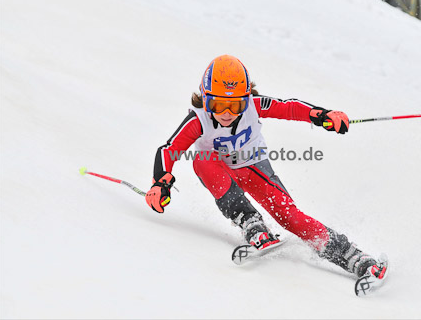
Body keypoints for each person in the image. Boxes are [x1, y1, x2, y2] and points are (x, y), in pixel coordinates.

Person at [145, 55, 385, 279]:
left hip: (255, 169)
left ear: (246, 100)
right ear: (205, 99)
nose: (226, 113)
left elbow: (288, 107)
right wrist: (161, 183)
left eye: (235, 106)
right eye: (217, 105)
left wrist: (322, 116)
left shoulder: (254, 105)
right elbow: (168, 150)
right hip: (220, 174)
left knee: (291, 217)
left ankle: (352, 256)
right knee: (202, 160)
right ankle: (250, 221)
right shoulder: (199, 120)